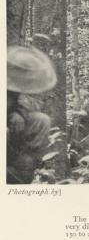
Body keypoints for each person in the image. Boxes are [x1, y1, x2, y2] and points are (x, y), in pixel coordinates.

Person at [7, 45, 57, 184]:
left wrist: (19, 113)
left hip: (13, 128)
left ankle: (23, 168)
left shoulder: (19, 84)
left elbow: (33, 102)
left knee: (42, 120)